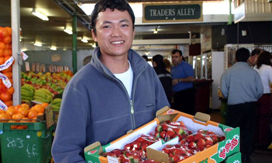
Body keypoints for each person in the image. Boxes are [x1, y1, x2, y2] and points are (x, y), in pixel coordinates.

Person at [51, 0, 169, 162]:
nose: (116, 33)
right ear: (94, 34)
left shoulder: (147, 73)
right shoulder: (80, 86)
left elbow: (165, 121)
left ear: (133, 31)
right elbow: (65, 152)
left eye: (124, 25)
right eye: (107, 26)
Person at [220, 48, 263, 163]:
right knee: (248, 131)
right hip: (250, 106)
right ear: (248, 57)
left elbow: (223, 92)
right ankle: (245, 155)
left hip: (234, 107)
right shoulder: (254, 73)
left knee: (232, 131)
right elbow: (260, 91)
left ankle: (232, 155)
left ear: (235, 58)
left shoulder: (228, 72)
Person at [254, 51, 272, 147]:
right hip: (266, 96)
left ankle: (256, 140)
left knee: (257, 119)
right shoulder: (268, 68)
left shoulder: (256, 68)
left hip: (256, 96)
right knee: (265, 119)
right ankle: (264, 142)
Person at [171, 49, 195, 115]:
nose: (174, 59)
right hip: (176, 95)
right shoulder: (173, 68)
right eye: (173, 57)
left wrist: (179, 80)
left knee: (186, 115)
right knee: (178, 115)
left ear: (181, 57)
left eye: (176, 57)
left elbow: (192, 79)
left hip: (186, 94)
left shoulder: (186, 66)